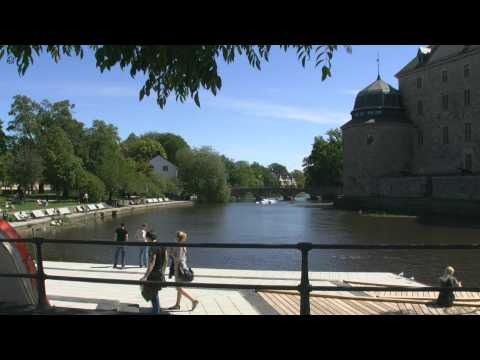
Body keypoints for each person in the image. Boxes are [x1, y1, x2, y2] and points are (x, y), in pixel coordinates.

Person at [167, 231, 199, 311]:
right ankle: (177, 305)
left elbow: (178, 259)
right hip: (181, 267)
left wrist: (170, 253)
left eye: (176, 236)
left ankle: (193, 300)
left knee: (178, 288)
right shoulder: (181, 245)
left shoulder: (180, 246)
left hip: (179, 268)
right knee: (179, 287)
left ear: (178, 238)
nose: (175, 237)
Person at [140, 233, 167, 314]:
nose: (146, 241)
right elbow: (166, 260)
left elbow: (152, 263)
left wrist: (145, 276)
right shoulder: (162, 245)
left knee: (150, 292)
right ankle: (156, 310)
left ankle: (156, 311)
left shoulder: (152, 247)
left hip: (153, 273)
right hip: (159, 272)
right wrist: (163, 271)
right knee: (154, 292)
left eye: (146, 239)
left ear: (149, 238)